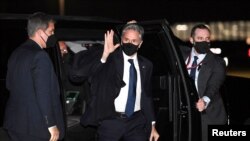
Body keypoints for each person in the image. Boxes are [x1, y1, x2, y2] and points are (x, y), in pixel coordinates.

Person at [70, 22, 159, 141]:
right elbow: (77, 76)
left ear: (140, 43)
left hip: (137, 121)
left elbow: (146, 96)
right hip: (111, 120)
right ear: (121, 40)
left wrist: (152, 125)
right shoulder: (111, 59)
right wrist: (105, 55)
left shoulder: (146, 65)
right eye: (126, 39)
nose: (129, 43)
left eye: (134, 41)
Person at [4, 12, 65, 141]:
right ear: (40, 32)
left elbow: (9, 85)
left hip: (15, 124)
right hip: (37, 128)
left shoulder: (16, 53)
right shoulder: (40, 56)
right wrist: (51, 124)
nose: (53, 35)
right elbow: (44, 93)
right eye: (51, 31)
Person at [185, 24, 227, 141]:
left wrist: (205, 100)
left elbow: (214, 85)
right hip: (186, 114)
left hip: (210, 116)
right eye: (200, 38)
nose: (204, 41)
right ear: (191, 40)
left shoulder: (217, 62)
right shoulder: (182, 56)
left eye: (207, 39)